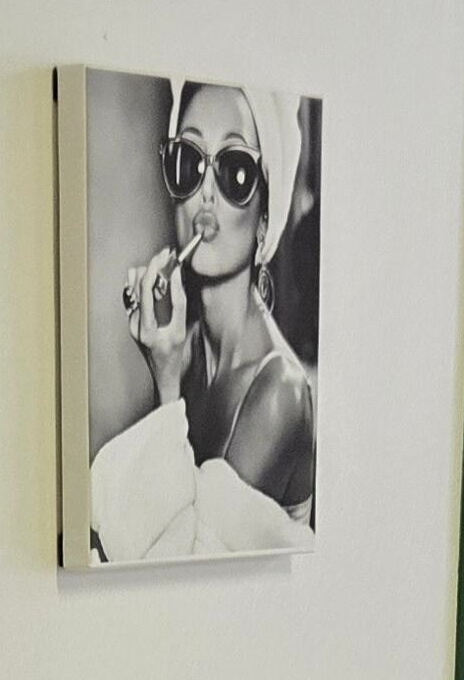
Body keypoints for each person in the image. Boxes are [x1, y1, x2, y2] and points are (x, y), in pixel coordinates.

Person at [87, 82, 316, 560]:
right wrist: (168, 368)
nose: (205, 193)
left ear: (265, 219)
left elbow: (180, 562)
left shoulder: (280, 393)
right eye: (189, 162)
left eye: (235, 172)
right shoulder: (187, 347)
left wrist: (166, 383)